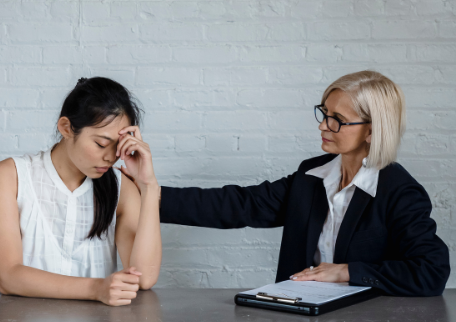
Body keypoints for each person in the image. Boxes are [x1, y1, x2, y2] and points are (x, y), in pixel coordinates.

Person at [159, 70, 450, 296]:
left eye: (337, 119)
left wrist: (346, 272)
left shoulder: (399, 192)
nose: (323, 125)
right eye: (324, 113)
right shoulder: (310, 176)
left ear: (371, 132)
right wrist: (149, 196)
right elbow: (241, 205)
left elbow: (431, 272)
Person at [0, 77, 161, 306]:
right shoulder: (10, 176)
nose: (110, 157)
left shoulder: (121, 188)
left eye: (118, 146)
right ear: (66, 128)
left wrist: (149, 186)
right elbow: (8, 277)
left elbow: (143, 278)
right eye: (101, 144)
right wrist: (96, 288)